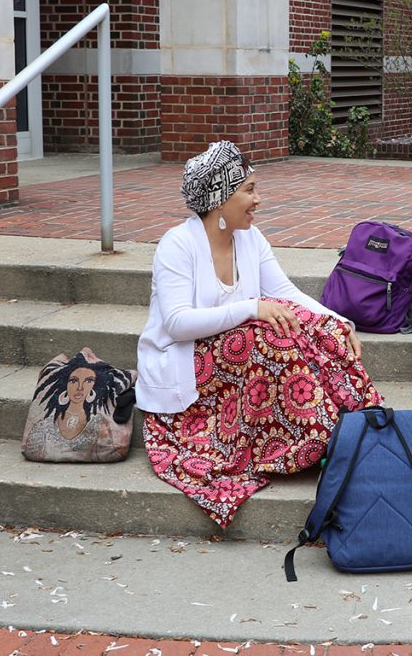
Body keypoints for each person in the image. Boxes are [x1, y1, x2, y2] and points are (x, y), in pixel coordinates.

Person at [136, 141, 382, 528]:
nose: (258, 200)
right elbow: (177, 323)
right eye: (248, 190)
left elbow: (287, 294)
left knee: (309, 324)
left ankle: (363, 426)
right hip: (185, 364)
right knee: (267, 336)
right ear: (220, 197)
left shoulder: (249, 238)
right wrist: (252, 309)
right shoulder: (177, 245)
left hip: (235, 359)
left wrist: (340, 322)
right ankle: (319, 441)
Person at [23, 350, 134, 462]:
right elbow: (31, 451)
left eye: (88, 381)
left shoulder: (99, 422)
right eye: (73, 381)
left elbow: (114, 452)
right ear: (64, 385)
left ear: (94, 387)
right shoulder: (43, 425)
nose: (80, 387)